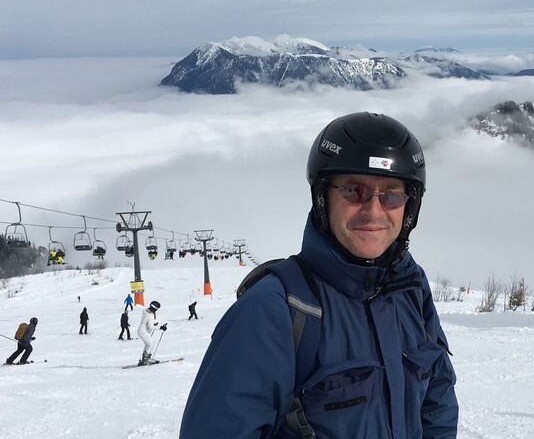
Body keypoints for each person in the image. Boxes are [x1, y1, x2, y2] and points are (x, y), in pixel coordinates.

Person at [180, 112, 458, 438]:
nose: (374, 211)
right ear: (323, 198)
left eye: (392, 195)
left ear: (409, 207)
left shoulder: (410, 287)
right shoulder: (275, 309)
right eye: (354, 190)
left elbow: (437, 397)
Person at [137, 300, 165, 365]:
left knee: (148, 344)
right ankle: (145, 360)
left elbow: (147, 322)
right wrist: (161, 327)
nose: (156, 310)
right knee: (150, 344)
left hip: (142, 330)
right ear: (154, 308)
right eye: (156, 309)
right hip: (143, 331)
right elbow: (151, 327)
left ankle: (145, 359)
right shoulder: (150, 315)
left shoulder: (146, 311)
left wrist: (154, 323)